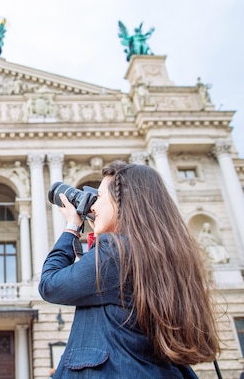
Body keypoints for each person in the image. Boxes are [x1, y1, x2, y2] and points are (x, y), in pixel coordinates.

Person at [39, 161, 220, 378]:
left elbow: (50, 284)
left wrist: (71, 227)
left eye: (99, 197)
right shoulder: (165, 255)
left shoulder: (115, 251)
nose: (93, 206)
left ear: (122, 203)